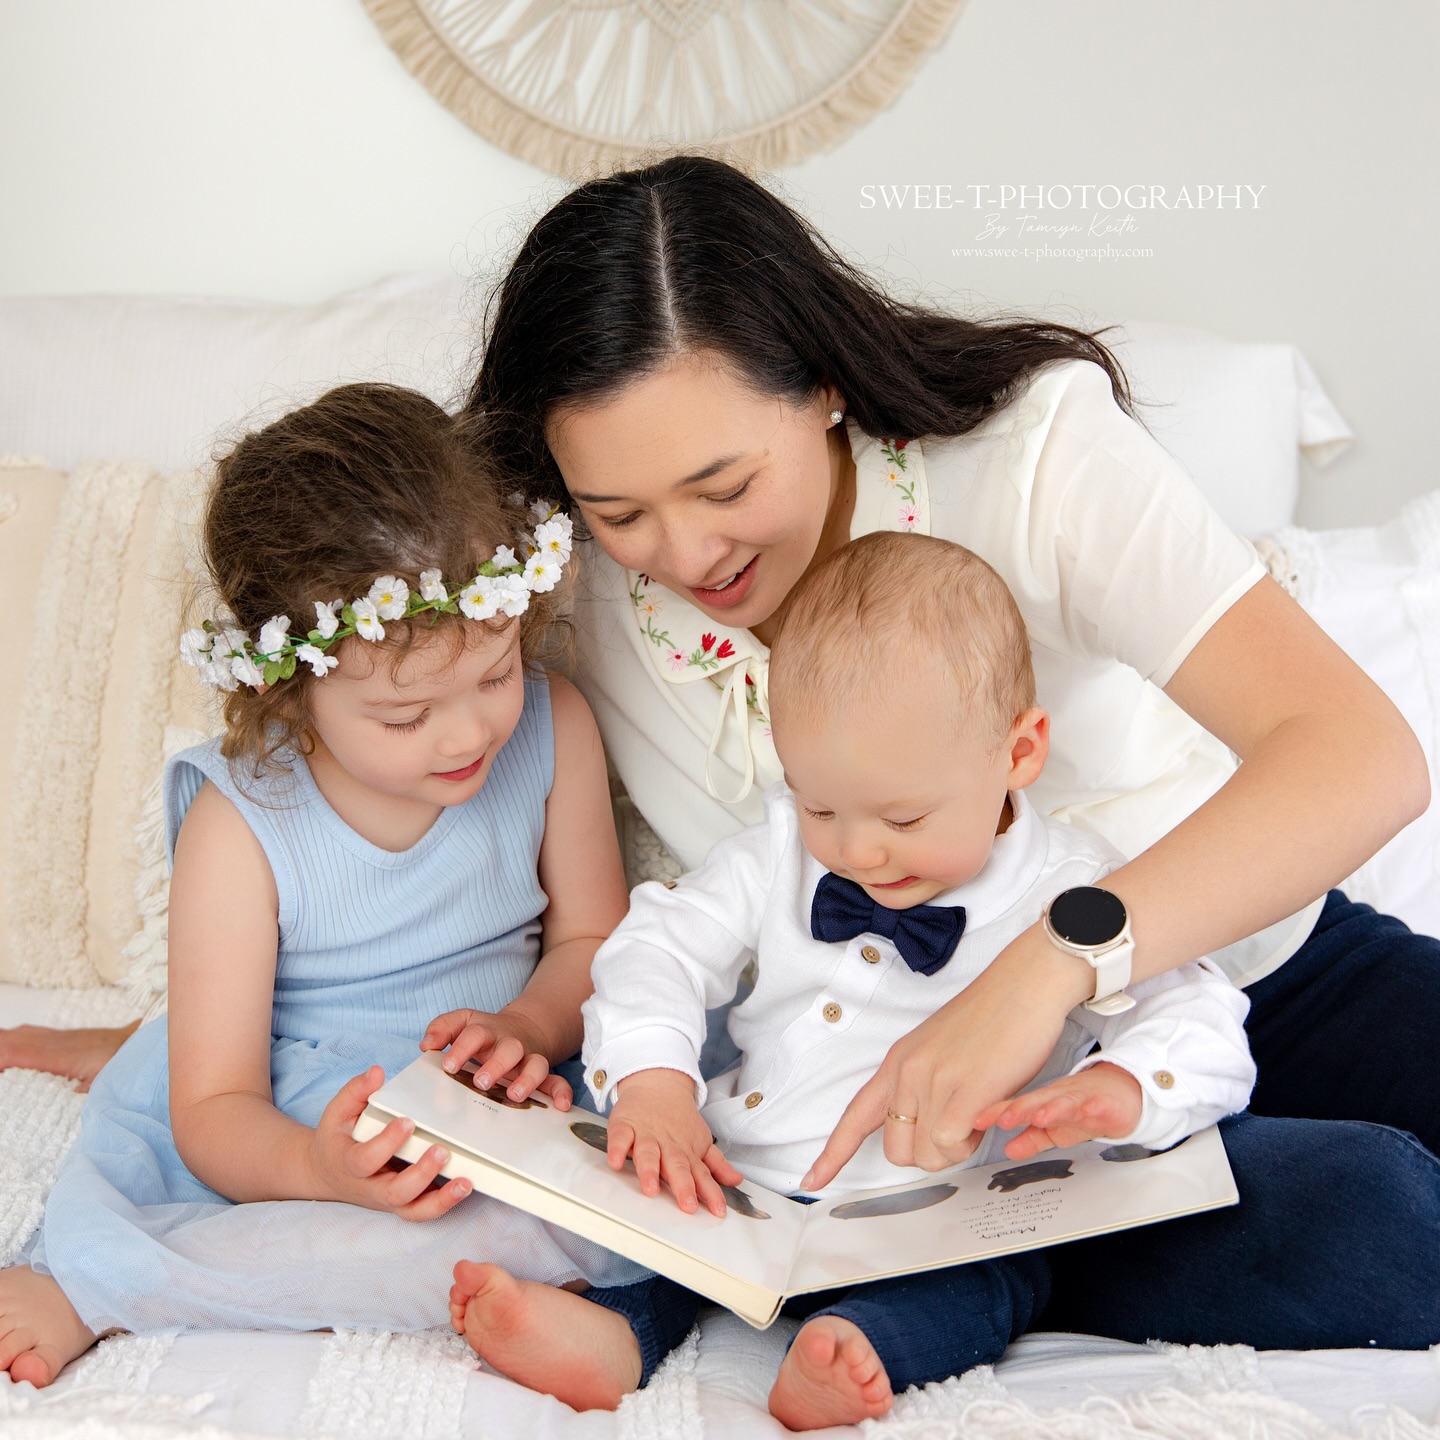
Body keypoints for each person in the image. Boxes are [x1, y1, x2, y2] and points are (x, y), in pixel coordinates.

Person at [458, 155, 1437, 1181]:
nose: (689, 554)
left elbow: (1361, 756)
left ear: (823, 384)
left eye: (727, 485)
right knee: (1370, 1217)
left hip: (1244, 975)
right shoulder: (554, 582)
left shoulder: (1036, 464)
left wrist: (1044, 971)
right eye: (621, 514)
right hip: (901, 1133)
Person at [445, 534, 1440, 1429]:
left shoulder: (1074, 891)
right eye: (822, 804)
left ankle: (860, 1353)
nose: (859, 851)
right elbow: (658, 944)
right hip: (748, 1168)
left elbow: (1204, 1018)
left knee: (984, 1280)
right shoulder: (782, 852)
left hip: (943, 1208)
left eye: (903, 819)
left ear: (1018, 753)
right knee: (658, 1233)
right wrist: (656, 1081)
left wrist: (1125, 1090)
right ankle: (608, 1337)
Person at [0, 383, 644, 1387]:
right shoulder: (242, 824)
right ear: (290, 695)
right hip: (302, 1094)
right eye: (404, 716)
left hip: (501, 1059)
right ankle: (91, 1283)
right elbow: (216, 1107)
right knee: (344, 1227)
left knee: (674, 1152)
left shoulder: (552, 727)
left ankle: (124, 1045)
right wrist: (317, 1171)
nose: (471, 731)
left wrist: (527, 1026)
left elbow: (594, 944)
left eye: (493, 672)